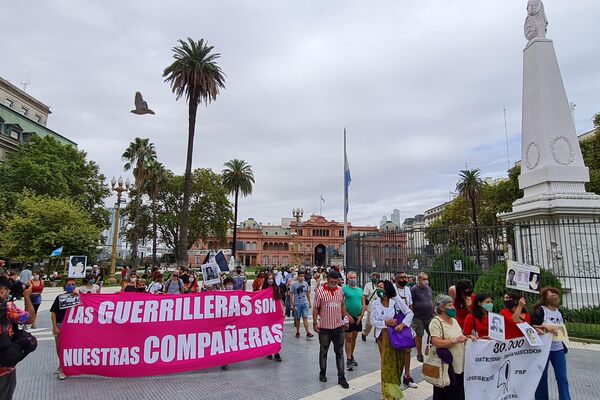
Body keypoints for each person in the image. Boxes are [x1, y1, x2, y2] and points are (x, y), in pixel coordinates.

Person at [371, 280, 414, 399]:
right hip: (383, 337)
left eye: (381, 287)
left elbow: (409, 313)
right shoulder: (375, 303)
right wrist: (386, 323)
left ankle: (396, 386)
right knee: (387, 365)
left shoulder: (396, 301)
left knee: (398, 363)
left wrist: (402, 325)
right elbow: (372, 320)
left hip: (397, 335)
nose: (379, 289)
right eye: (378, 287)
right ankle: (387, 394)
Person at [430, 294, 475, 400]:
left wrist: (468, 337)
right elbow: (436, 342)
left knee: (459, 393)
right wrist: (455, 340)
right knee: (445, 394)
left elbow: (459, 336)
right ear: (441, 308)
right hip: (446, 366)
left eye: (452, 305)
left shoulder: (454, 320)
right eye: (450, 306)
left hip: (459, 364)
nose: (453, 308)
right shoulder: (436, 322)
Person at [0, 274, 36, 399]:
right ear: (2, 291)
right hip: (3, 369)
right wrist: (26, 296)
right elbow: (30, 318)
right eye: (7, 290)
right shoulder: (8, 308)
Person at [313, 271, 350, 389]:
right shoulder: (320, 291)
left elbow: (342, 305)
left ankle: (341, 377)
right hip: (324, 328)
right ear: (327, 280)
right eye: (332, 282)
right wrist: (315, 322)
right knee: (323, 351)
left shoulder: (340, 290)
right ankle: (322, 372)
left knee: (339, 352)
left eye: (336, 282)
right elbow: (316, 308)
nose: (334, 284)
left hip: (338, 327)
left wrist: (345, 319)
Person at [532, 287, 571, 400]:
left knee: (562, 377)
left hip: (558, 349)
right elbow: (532, 326)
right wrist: (544, 327)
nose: (554, 295)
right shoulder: (541, 310)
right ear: (545, 297)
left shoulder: (559, 312)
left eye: (556, 294)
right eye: (551, 294)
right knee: (542, 378)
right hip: (544, 349)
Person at [50, 278, 78, 380]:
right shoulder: (60, 297)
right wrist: (54, 326)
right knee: (59, 348)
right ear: (65, 286)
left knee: (69, 348)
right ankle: (62, 364)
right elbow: (53, 312)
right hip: (60, 325)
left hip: (73, 326)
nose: (71, 286)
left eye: (73, 284)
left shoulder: (78, 297)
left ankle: (64, 368)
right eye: (69, 284)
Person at [394, 271, 417, 388]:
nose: (404, 279)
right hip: (396, 321)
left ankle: (407, 375)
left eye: (405, 277)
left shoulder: (407, 289)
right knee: (397, 350)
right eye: (401, 277)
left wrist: (410, 319)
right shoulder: (392, 289)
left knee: (408, 349)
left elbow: (410, 304)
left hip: (407, 321)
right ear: (396, 279)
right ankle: (395, 375)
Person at [342, 271, 364, 371]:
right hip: (348, 317)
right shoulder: (344, 289)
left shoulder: (360, 290)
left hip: (358, 317)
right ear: (347, 278)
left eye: (354, 277)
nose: (353, 279)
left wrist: (361, 315)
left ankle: (351, 355)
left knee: (354, 338)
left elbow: (363, 303)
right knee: (349, 338)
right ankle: (348, 359)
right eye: (350, 277)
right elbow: (341, 303)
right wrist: (346, 315)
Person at [410, 272, 433, 362]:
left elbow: (430, 299)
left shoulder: (428, 288)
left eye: (426, 279)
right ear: (419, 280)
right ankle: (419, 353)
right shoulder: (414, 289)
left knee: (432, 333)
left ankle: (428, 349)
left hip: (429, 315)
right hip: (418, 316)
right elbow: (410, 302)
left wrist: (433, 309)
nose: (426, 281)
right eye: (424, 279)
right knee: (419, 335)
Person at [261, 273, 283, 362]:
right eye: (269, 279)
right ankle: (269, 351)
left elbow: (279, 300)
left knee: (276, 334)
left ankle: (277, 353)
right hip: (267, 316)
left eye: (272, 279)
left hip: (275, 315)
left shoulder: (276, 289)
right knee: (268, 334)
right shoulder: (263, 290)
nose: (270, 280)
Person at [291, 271, 314, 338]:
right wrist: (292, 303)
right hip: (297, 304)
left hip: (304, 303)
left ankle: (308, 332)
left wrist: (309, 302)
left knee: (305, 318)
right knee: (297, 319)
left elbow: (307, 293)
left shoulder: (306, 283)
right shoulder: (294, 284)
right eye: (301, 276)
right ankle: (297, 331)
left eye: (303, 276)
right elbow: (291, 293)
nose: (302, 277)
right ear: (298, 276)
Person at [361, 272, 380, 341]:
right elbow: (364, 296)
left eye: (375, 277)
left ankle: (377, 336)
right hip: (370, 306)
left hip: (379, 306)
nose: (374, 278)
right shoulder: (368, 285)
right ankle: (364, 333)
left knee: (378, 322)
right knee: (369, 323)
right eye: (372, 277)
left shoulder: (380, 285)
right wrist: (364, 305)